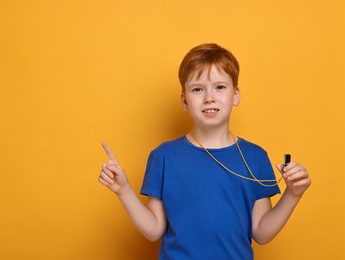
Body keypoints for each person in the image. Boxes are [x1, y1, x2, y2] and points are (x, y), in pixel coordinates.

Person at [98, 43, 311, 259]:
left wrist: (293, 194)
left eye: (220, 87)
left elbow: (262, 233)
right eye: (198, 89)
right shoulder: (164, 156)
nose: (209, 97)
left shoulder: (255, 157)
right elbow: (153, 230)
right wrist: (123, 190)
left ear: (235, 95)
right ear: (184, 100)